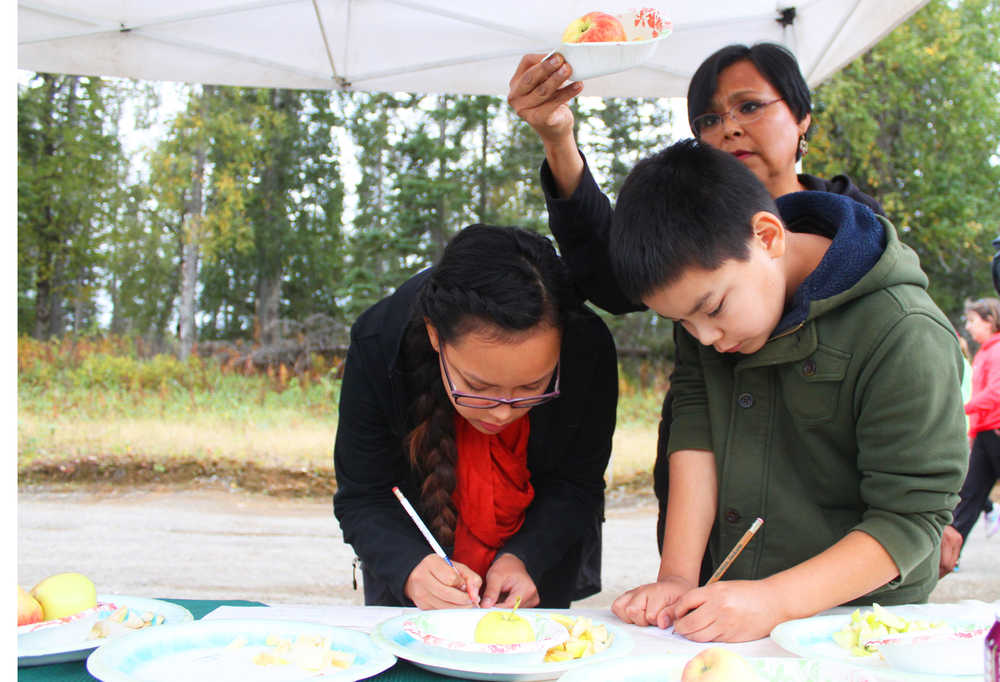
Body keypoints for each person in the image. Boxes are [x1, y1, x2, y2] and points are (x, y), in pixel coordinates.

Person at [508, 42, 885, 570]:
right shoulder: (684, 238)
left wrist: (927, 509)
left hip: (830, 537)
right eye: (708, 118)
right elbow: (610, 276)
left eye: (749, 106)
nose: (729, 127)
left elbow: (906, 392)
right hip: (708, 507)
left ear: (802, 116)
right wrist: (558, 138)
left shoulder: (860, 236)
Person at [605, 139, 967, 642]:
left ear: (768, 236)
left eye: (711, 310)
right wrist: (677, 576)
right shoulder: (712, 310)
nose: (705, 337)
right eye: (680, 321)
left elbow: (911, 517)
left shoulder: (904, 332)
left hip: (859, 627)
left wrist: (775, 601)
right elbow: (695, 425)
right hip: (732, 609)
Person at [333, 224, 618, 610]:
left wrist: (526, 557)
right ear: (436, 338)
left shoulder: (587, 348)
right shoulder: (380, 343)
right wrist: (410, 568)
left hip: (535, 577)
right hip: (415, 586)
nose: (502, 412)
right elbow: (364, 495)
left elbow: (577, 484)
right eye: (478, 387)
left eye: (531, 387)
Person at [939, 298, 1000, 575]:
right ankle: (951, 555)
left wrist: (961, 408)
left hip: (996, 431)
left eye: (974, 321)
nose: (970, 327)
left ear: (990, 321)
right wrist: (973, 431)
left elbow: (996, 394)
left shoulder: (997, 350)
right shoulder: (985, 351)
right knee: (970, 495)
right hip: (986, 433)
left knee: (971, 494)